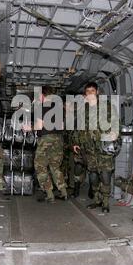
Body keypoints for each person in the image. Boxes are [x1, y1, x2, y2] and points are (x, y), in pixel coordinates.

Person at [73, 82, 119, 213]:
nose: (90, 93)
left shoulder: (107, 107)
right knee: (93, 175)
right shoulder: (83, 109)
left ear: (97, 92)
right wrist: (76, 142)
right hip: (88, 149)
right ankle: (97, 200)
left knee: (105, 175)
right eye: (87, 91)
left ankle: (105, 202)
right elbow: (79, 128)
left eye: (92, 91)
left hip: (103, 147)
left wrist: (115, 134)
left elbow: (116, 122)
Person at [30, 86, 68, 203]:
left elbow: (39, 126)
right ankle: (63, 192)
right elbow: (62, 126)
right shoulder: (59, 108)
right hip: (58, 138)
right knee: (55, 166)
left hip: (46, 138)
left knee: (40, 165)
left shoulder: (41, 107)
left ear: (42, 95)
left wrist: (29, 127)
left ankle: (49, 194)